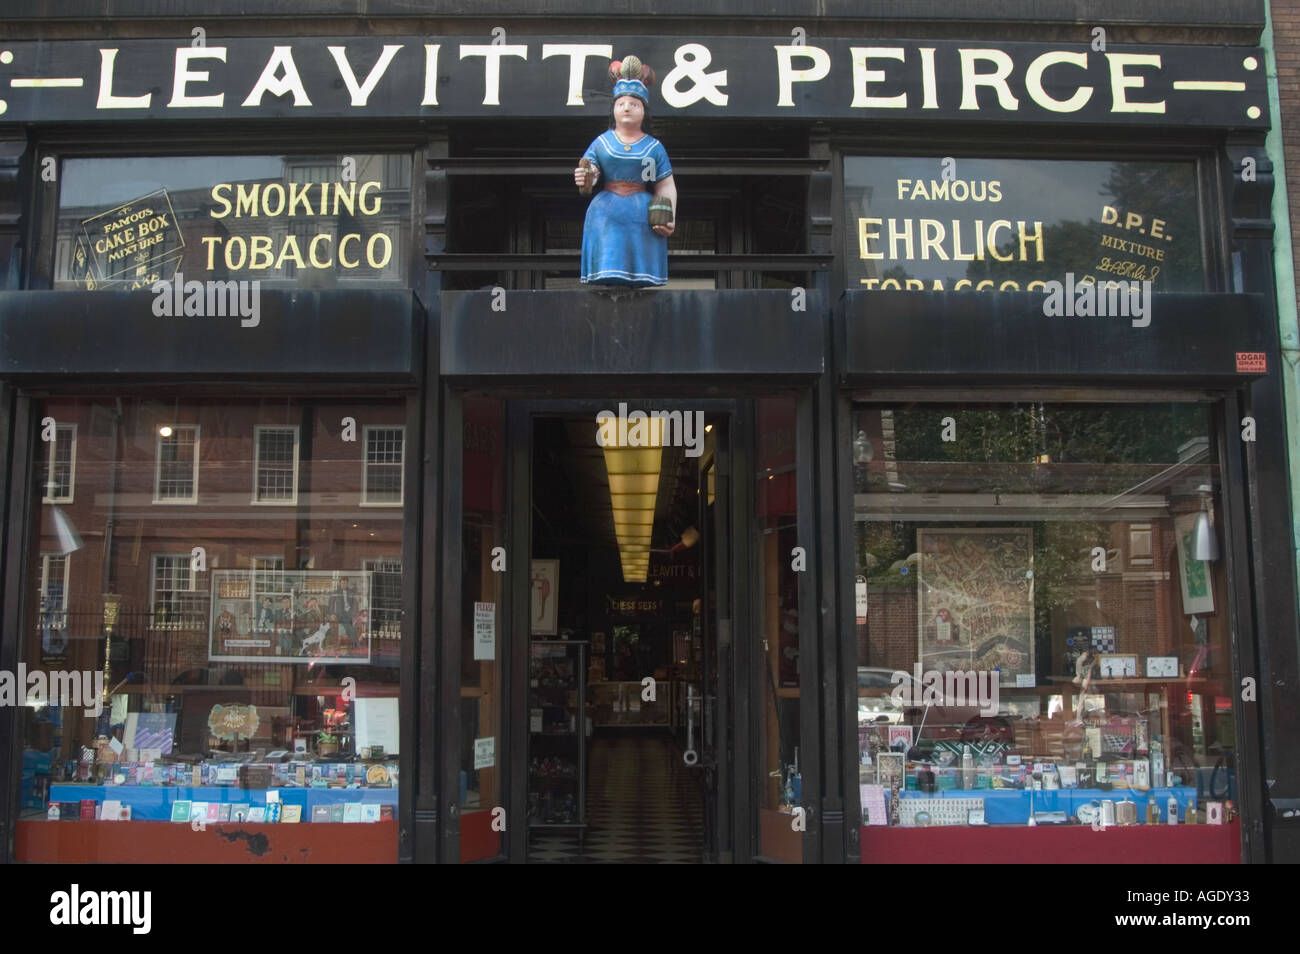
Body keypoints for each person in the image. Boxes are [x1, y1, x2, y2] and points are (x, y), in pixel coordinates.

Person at [573, 56, 677, 286]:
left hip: (642, 212)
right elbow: (590, 168)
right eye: (621, 104)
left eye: (634, 104)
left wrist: (669, 215)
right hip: (606, 210)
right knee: (608, 260)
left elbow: (665, 184)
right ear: (614, 110)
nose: (627, 107)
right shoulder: (602, 142)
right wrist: (586, 175)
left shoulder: (654, 146)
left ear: (644, 111)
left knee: (640, 266)